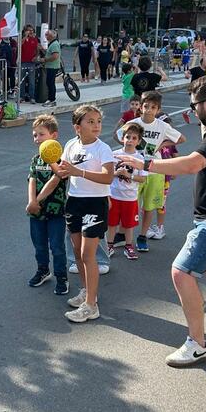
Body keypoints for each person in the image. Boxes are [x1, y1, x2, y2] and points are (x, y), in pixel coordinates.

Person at [118, 75, 206, 366]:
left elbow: (192, 164)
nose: (192, 111)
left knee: (182, 272)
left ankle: (197, 344)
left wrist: (145, 163)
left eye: (195, 105)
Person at [53, 105, 115, 323]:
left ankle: (91, 305)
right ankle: (87, 292)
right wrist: (49, 157)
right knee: (78, 254)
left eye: (98, 121)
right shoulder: (71, 145)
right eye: (90, 121)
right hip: (74, 202)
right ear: (77, 127)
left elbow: (108, 177)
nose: (96, 125)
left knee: (88, 255)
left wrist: (78, 171)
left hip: (95, 203)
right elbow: (62, 172)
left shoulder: (103, 148)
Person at [123, 90, 185, 251]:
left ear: (158, 109)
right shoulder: (134, 123)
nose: (149, 110)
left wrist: (162, 144)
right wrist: (130, 149)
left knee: (149, 206)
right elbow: (119, 135)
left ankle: (142, 236)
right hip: (134, 170)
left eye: (153, 107)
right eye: (146, 106)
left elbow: (181, 138)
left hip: (155, 170)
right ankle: (124, 235)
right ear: (141, 107)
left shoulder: (162, 126)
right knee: (129, 204)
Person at [26, 114, 69, 295]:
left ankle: (61, 277)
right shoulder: (36, 159)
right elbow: (32, 180)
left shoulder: (62, 159)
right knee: (39, 245)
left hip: (55, 211)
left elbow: (55, 179)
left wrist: (38, 200)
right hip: (36, 211)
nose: (37, 138)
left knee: (57, 247)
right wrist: (31, 201)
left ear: (54, 135)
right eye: (35, 135)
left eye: (41, 134)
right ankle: (43, 270)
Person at [107, 122, 146, 260]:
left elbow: (143, 179)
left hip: (130, 197)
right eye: (128, 137)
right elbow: (107, 174)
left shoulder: (140, 158)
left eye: (134, 138)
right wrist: (116, 173)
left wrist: (129, 175)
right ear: (122, 138)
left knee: (128, 224)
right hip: (114, 195)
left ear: (139, 141)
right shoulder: (114, 155)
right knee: (112, 223)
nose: (130, 140)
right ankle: (109, 245)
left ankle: (129, 246)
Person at [41, 28, 62, 106]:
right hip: (50, 66)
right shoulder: (52, 44)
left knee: (50, 83)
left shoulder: (54, 44)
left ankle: (52, 100)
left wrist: (45, 59)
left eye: (47, 35)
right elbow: (50, 53)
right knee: (49, 82)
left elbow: (55, 56)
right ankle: (50, 99)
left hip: (53, 67)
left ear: (51, 36)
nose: (46, 37)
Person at [20, 25, 39, 102]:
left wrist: (36, 56)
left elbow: (37, 50)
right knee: (22, 80)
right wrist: (25, 36)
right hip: (23, 62)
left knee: (31, 81)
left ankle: (32, 97)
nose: (30, 32)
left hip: (31, 63)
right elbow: (20, 45)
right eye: (29, 30)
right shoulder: (23, 39)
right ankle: (21, 96)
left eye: (32, 30)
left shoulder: (35, 39)